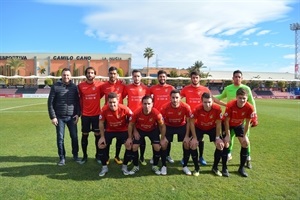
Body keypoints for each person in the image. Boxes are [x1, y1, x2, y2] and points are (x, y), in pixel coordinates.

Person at [214, 70, 258, 169]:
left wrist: (254, 114)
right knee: (230, 138)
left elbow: (251, 101)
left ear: (242, 78)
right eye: (235, 77)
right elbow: (219, 97)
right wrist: (213, 98)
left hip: (241, 119)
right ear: (232, 78)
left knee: (245, 139)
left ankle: (248, 158)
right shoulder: (228, 88)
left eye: (239, 77)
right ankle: (228, 154)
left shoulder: (246, 88)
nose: (237, 78)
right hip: (229, 118)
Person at [47, 68, 81, 166]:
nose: (66, 77)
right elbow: (50, 103)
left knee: (74, 137)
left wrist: (78, 114)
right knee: (60, 138)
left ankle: (75, 156)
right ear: (61, 76)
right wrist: (53, 117)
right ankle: (62, 158)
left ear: (70, 76)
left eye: (67, 75)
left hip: (71, 117)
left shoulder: (74, 87)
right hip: (59, 117)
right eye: (64, 75)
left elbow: (77, 102)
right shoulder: (55, 87)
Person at [189, 92, 228, 177]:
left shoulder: (217, 109)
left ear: (213, 101)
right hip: (199, 127)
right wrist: (195, 138)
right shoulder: (197, 109)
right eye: (205, 102)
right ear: (201, 101)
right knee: (193, 144)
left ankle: (215, 167)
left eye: (209, 102)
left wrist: (218, 137)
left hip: (212, 128)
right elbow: (192, 123)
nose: (207, 104)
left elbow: (218, 124)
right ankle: (196, 168)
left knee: (220, 145)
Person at [128, 95, 166, 175]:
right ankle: (136, 166)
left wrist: (162, 138)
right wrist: (133, 133)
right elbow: (131, 124)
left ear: (152, 104)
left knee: (157, 146)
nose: (146, 106)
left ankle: (155, 166)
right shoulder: (137, 112)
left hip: (152, 130)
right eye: (145, 104)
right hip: (140, 130)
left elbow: (162, 126)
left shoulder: (156, 113)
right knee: (134, 146)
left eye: (149, 104)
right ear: (142, 104)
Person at [97, 92, 133, 177]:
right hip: (110, 130)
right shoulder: (104, 109)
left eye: (114, 102)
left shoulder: (124, 108)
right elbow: (101, 123)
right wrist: (102, 137)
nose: (112, 104)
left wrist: (130, 137)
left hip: (122, 130)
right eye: (110, 102)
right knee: (101, 145)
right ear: (107, 102)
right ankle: (104, 167)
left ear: (118, 101)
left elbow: (132, 120)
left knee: (129, 145)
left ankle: (124, 167)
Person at [160, 89, 195, 175]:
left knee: (186, 144)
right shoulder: (164, 107)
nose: (175, 100)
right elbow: (161, 123)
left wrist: (187, 136)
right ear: (170, 98)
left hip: (181, 126)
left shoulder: (186, 107)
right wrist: (163, 137)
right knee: (164, 144)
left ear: (180, 98)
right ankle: (164, 166)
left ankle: (185, 166)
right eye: (173, 97)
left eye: (177, 97)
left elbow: (189, 122)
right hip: (168, 126)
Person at [180, 71, 211, 166]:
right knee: (187, 138)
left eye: (196, 77)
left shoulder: (205, 89)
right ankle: (184, 157)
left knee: (200, 139)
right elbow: (178, 98)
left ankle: (201, 157)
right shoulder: (186, 89)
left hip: (201, 119)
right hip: (189, 119)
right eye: (193, 77)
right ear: (191, 78)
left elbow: (211, 101)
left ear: (199, 78)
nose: (195, 79)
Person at [223, 88, 255, 177]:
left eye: (244, 98)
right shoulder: (230, 105)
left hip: (238, 125)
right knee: (226, 143)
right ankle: (224, 168)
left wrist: (245, 136)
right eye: (240, 98)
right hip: (228, 124)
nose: (242, 100)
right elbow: (226, 121)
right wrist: (228, 135)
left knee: (245, 143)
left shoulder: (249, 107)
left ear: (247, 98)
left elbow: (247, 123)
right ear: (236, 97)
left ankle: (241, 168)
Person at [123, 69, 150, 165]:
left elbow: (148, 102)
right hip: (130, 116)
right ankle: (131, 156)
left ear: (141, 77)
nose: (136, 78)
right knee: (131, 138)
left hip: (142, 116)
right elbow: (120, 98)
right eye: (134, 76)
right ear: (132, 77)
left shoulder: (146, 88)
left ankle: (142, 157)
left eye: (138, 76)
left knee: (141, 138)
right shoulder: (127, 88)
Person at [100, 66, 126, 165]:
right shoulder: (104, 86)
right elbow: (100, 96)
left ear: (117, 75)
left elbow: (123, 97)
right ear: (108, 74)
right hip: (108, 115)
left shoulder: (122, 85)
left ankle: (117, 156)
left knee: (119, 138)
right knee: (108, 138)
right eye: (111, 73)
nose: (113, 75)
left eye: (114, 73)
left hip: (120, 114)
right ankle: (106, 157)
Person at [78, 66, 102, 164]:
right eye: (88, 73)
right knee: (85, 135)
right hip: (85, 115)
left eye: (92, 73)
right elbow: (78, 99)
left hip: (96, 115)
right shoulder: (80, 86)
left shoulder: (100, 85)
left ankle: (98, 156)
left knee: (97, 135)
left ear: (95, 74)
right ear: (86, 74)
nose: (90, 74)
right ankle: (84, 156)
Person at [150, 70, 175, 163]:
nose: (162, 78)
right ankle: (154, 156)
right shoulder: (152, 88)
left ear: (166, 77)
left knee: (168, 138)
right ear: (158, 78)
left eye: (163, 77)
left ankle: (167, 155)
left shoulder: (171, 88)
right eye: (160, 77)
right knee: (155, 138)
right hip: (156, 117)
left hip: (168, 117)